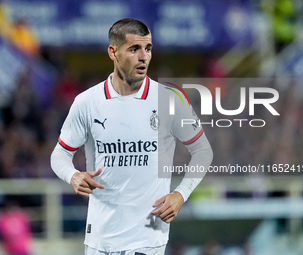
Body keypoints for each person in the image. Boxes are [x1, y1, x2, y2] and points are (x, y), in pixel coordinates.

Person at [51, 18, 213, 255]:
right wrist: (72, 175)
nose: (144, 57)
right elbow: (60, 154)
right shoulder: (87, 102)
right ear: (113, 52)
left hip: (148, 237)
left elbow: (202, 151)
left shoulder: (170, 99)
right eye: (134, 49)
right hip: (100, 238)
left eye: (148, 49)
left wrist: (181, 194)